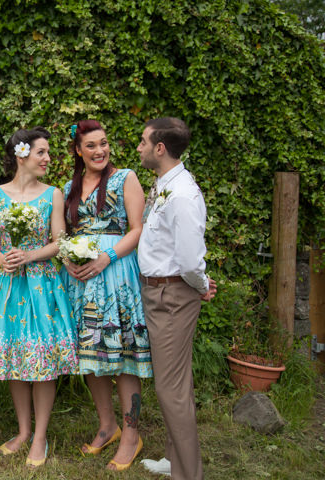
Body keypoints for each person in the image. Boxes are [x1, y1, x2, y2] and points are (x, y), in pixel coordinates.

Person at [0, 127, 77, 467]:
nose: (48, 159)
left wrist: (32, 255)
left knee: (43, 361)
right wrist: (1, 258)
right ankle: (22, 431)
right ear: (22, 155)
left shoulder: (53, 194)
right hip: (7, 285)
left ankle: (40, 436)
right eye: (42, 153)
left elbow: (59, 241)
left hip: (41, 285)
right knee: (16, 361)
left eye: (47, 153)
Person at [60, 120, 151, 471]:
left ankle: (132, 434)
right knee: (91, 354)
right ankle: (107, 426)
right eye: (92, 146)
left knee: (124, 355)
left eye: (104, 144)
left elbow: (137, 229)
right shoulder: (70, 186)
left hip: (116, 274)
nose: (100, 151)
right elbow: (65, 232)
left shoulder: (125, 177)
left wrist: (106, 258)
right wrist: (68, 259)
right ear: (79, 151)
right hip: (82, 279)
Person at [136, 117, 217, 480]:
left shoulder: (182, 193)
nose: (137, 147)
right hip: (159, 290)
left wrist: (199, 285)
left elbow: (188, 258)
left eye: (142, 142)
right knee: (171, 384)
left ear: (160, 148)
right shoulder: (165, 184)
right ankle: (174, 460)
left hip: (171, 295)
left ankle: (188, 473)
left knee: (172, 390)